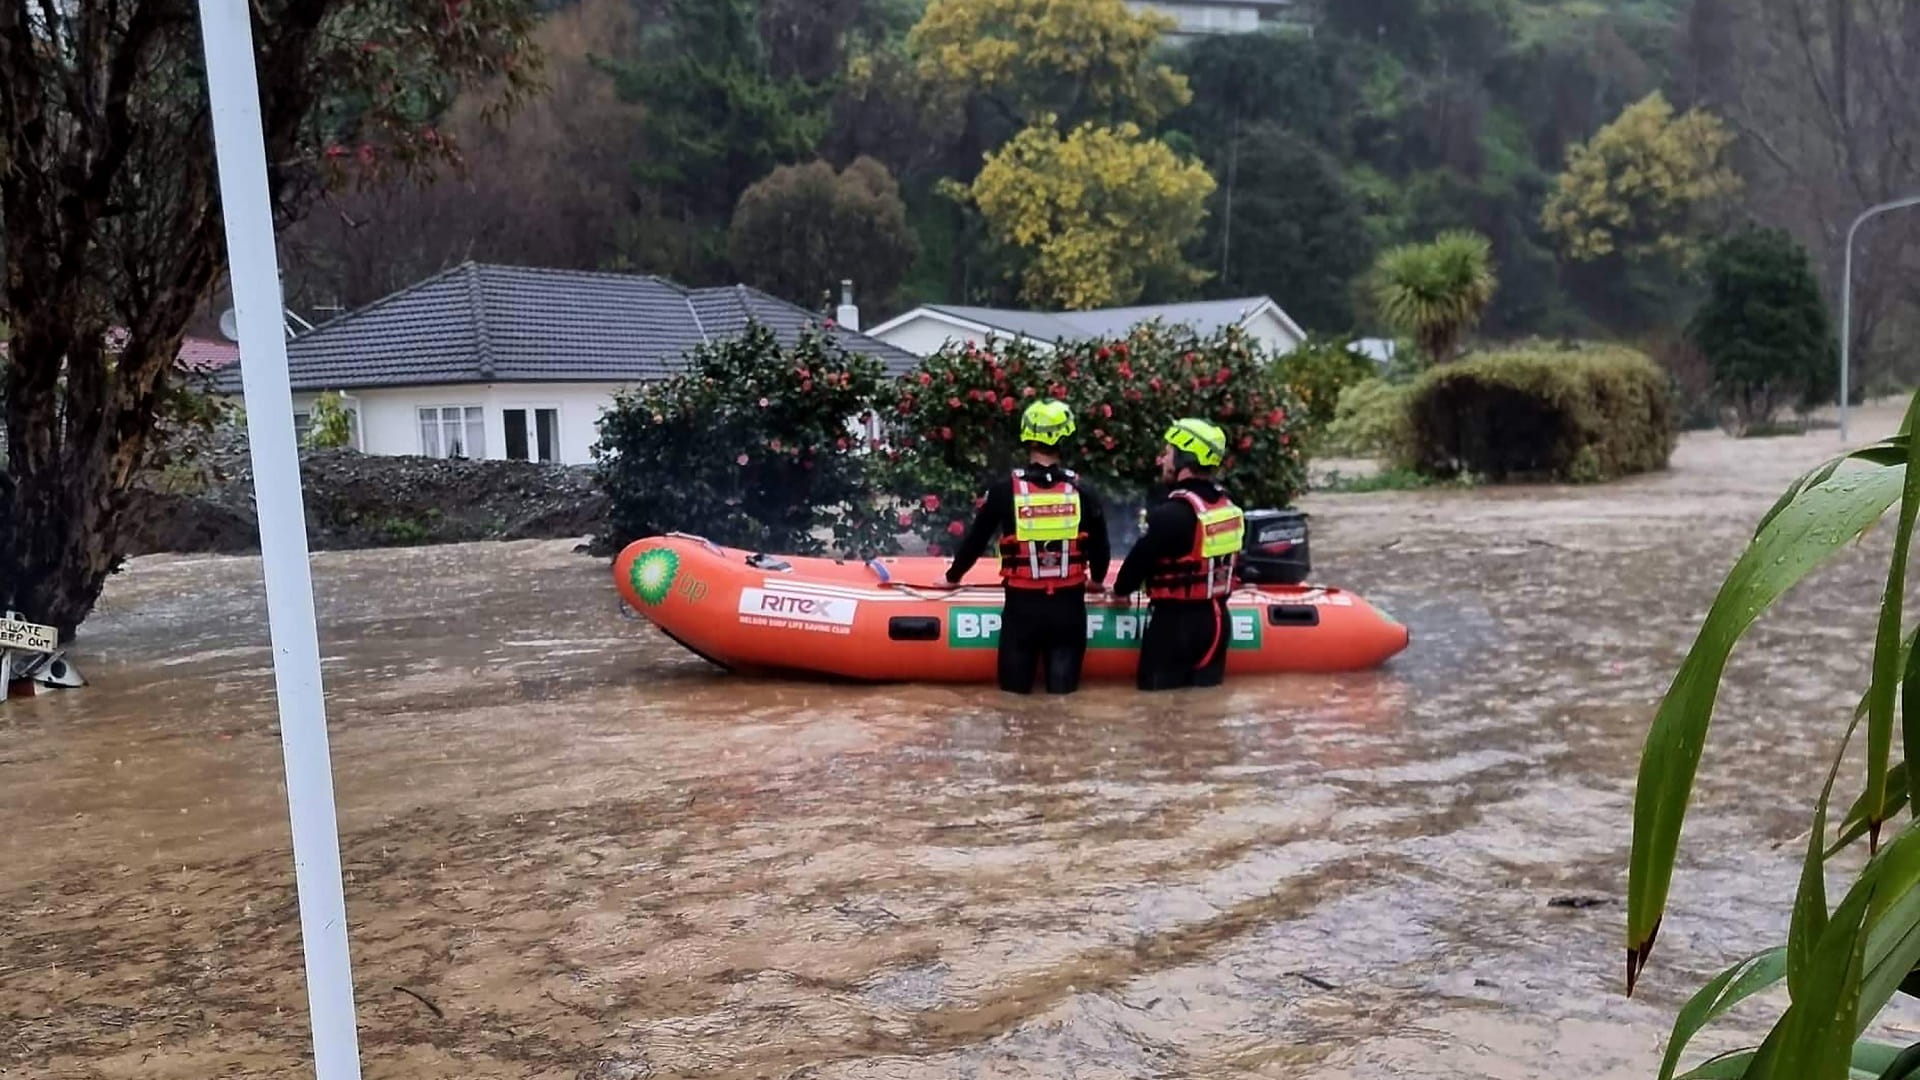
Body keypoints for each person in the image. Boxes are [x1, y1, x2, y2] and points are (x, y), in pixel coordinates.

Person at [945, 399, 1111, 695]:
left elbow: (975, 541)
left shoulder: (1004, 490)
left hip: (1022, 610)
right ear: (1065, 437)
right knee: (1063, 701)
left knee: (1013, 701)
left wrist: (952, 577)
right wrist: (1097, 580)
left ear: (1027, 436)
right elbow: (1101, 547)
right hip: (1068, 609)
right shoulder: (1083, 491)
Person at [1111, 418, 1246, 692]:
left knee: (1156, 709)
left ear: (1185, 458)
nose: (1161, 459)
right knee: (1205, 708)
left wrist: (1120, 591)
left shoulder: (1171, 514)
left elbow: (1134, 568)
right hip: (1218, 624)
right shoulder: (1227, 508)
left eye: (1168, 452)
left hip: (1175, 627)